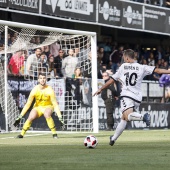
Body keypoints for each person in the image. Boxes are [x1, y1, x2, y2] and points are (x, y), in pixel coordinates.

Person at [93, 49, 170, 146]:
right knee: (124, 118)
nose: (124, 60)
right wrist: (168, 71)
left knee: (129, 115)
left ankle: (143, 117)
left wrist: (101, 88)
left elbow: (111, 80)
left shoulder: (123, 67)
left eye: (124, 58)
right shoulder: (142, 67)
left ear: (127, 58)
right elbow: (157, 70)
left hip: (127, 95)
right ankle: (113, 139)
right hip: (137, 97)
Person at [13, 72, 64, 139]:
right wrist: (20, 116)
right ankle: (21, 134)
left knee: (47, 114)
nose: (42, 80)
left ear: (46, 79)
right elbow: (28, 104)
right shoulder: (34, 90)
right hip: (38, 107)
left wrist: (60, 117)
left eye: (44, 78)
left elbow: (55, 104)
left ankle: (54, 134)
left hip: (48, 106)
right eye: (40, 78)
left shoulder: (50, 90)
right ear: (38, 80)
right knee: (31, 116)